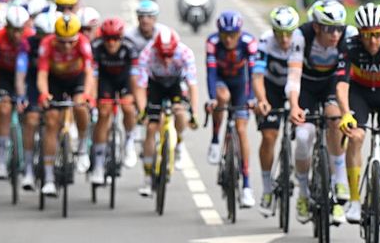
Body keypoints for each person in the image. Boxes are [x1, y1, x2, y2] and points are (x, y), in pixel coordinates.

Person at [336, 2, 380, 235]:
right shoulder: (349, 45)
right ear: (359, 34)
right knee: (355, 137)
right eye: (367, 35)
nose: (373, 41)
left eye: (377, 35)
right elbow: (341, 84)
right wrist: (345, 112)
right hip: (360, 94)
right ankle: (355, 200)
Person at [288, 0, 349, 224]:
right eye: (329, 29)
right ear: (316, 27)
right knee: (304, 136)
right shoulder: (301, 36)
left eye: (338, 29)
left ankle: (338, 181)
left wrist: (346, 110)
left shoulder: (346, 36)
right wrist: (294, 106)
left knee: (335, 121)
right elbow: (293, 76)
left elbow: (345, 78)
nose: (335, 34)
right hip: (307, 85)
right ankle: (303, 192)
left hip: (332, 84)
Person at [36, 14, 96, 196]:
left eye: (71, 42)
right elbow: (42, 74)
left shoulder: (84, 43)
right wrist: (44, 94)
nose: (67, 46)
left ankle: (83, 146)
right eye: (62, 42)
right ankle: (48, 178)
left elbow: (88, 73)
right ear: (55, 37)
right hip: (55, 80)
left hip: (75, 79)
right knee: (52, 121)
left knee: (80, 107)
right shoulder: (46, 44)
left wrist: (86, 94)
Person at [253, 6, 304, 215]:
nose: (284, 39)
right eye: (279, 34)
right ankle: (266, 188)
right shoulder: (265, 42)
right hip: (272, 88)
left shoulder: (301, 41)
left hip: (298, 87)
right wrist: (262, 100)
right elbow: (257, 76)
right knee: (269, 135)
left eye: (288, 34)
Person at [137, 27, 199, 196]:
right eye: (162, 56)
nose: (166, 60)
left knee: (180, 113)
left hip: (175, 85)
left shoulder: (185, 52)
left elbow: (192, 85)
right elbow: (141, 86)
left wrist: (194, 113)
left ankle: (178, 143)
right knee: (151, 128)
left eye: (170, 55)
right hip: (155, 85)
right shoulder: (147, 53)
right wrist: (143, 110)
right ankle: (148, 177)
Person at [205, 11, 257, 207]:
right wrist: (211, 98)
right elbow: (210, 72)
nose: (228, 39)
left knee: (242, 130)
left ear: (239, 32)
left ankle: (246, 186)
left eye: (233, 34)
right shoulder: (212, 42)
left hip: (241, 83)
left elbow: (253, 73)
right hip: (221, 80)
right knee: (222, 98)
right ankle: (216, 139)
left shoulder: (249, 42)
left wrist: (251, 98)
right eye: (224, 35)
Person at [89, 18, 145, 184]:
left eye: (115, 38)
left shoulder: (130, 47)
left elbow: (135, 78)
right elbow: (93, 78)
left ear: (121, 38)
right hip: (105, 80)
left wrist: (137, 102)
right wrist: (92, 101)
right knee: (104, 113)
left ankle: (129, 140)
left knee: (128, 108)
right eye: (108, 38)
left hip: (124, 79)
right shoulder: (96, 48)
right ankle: (98, 165)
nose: (111, 43)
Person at [0, 5, 30, 179]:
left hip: (25, 76)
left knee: (30, 114)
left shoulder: (31, 38)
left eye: (20, 30)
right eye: (13, 29)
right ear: (7, 26)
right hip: (5, 75)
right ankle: (3, 161)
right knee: (4, 109)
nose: (16, 34)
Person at [20, 12, 55, 190]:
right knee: (31, 120)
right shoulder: (28, 44)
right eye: (43, 35)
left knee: (54, 120)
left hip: (54, 82)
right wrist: (20, 96)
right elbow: (21, 70)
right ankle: (27, 169)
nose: (46, 40)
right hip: (34, 83)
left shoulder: (60, 44)